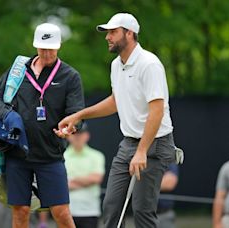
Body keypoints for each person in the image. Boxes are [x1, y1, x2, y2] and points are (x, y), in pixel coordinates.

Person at [55, 13, 176, 228]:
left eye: (113, 32)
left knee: (142, 210)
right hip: (129, 143)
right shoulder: (116, 65)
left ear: (129, 34)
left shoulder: (149, 64)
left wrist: (141, 151)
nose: (107, 37)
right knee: (111, 207)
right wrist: (79, 115)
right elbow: (115, 101)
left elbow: (156, 111)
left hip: (154, 143)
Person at [0, 22, 84, 228]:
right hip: (17, 154)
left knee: (61, 212)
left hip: (50, 155)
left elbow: (76, 113)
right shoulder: (18, 70)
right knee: (20, 212)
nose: (46, 53)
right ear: (35, 46)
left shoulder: (70, 76)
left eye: (50, 49)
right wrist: (8, 116)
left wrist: (71, 127)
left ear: (58, 47)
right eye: (42, 48)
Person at [64, 123, 105, 228]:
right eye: (74, 134)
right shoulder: (61, 157)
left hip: (90, 211)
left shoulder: (97, 156)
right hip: (66, 212)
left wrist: (72, 181)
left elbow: (97, 178)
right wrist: (87, 181)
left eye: (80, 133)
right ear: (68, 136)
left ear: (87, 136)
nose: (78, 137)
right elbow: (60, 184)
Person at [157, 163, 179, 228]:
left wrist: (145, 183)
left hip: (164, 215)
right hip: (142, 215)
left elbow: (169, 183)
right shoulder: (138, 157)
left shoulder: (167, 156)